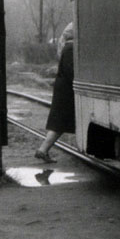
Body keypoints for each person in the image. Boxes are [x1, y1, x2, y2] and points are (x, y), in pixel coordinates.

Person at [35, 22, 75, 164]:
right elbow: (71, 72)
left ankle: (43, 150)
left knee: (59, 124)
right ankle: (43, 150)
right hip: (66, 91)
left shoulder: (66, 46)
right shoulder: (71, 48)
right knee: (60, 124)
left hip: (63, 88)